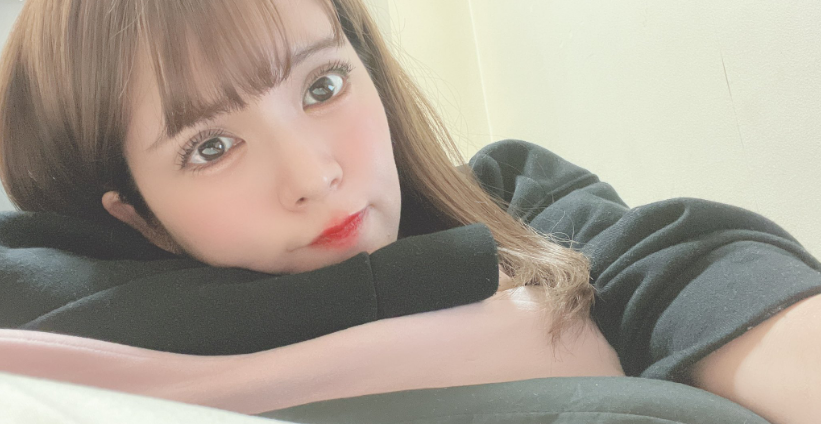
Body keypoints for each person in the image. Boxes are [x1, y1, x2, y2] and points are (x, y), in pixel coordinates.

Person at [0, 1, 820, 423]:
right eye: (211, 147)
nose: (314, 175)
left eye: (323, 86)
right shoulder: (73, 330)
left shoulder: (512, 194)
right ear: (137, 216)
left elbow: (684, 268)